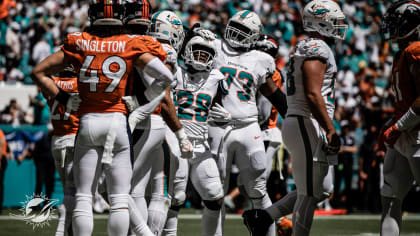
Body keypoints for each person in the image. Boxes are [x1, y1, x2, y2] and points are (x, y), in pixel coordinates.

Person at [30, 0, 174, 235]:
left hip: (87, 122)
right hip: (117, 122)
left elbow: (38, 73)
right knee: (119, 198)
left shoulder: (81, 43)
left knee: (84, 195)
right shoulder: (131, 43)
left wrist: (64, 98)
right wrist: (139, 101)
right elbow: (165, 77)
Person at [242, 1, 346, 235]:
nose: (339, 25)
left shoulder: (312, 46)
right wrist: (329, 128)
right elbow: (311, 92)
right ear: (321, 20)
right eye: (334, 19)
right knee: (309, 193)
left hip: (307, 122)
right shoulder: (316, 47)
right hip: (305, 120)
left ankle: (263, 217)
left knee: (322, 189)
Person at [203, 9, 287, 236]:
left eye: (243, 31)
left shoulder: (260, 60)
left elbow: (273, 94)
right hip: (217, 127)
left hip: (249, 128)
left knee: (258, 191)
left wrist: (292, 115)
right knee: (215, 193)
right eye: (235, 28)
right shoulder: (214, 48)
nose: (236, 34)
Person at [123, 6, 192, 235]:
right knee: (144, 190)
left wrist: (180, 133)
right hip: (159, 124)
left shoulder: (151, 47)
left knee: (123, 188)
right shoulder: (160, 49)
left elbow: (163, 96)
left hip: (145, 120)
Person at [380, 1, 420, 235]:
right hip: (405, 134)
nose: (392, 29)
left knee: (392, 198)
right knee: (390, 199)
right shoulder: (403, 53)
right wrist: (390, 126)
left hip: (414, 133)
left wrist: (397, 127)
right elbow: (405, 101)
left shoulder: (416, 51)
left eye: (397, 24)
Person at [47, 66, 79, 236]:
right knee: (72, 192)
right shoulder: (78, 83)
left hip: (56, 141)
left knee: (70, 192)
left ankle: (70, 231)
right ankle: (61, 231)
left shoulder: (52, 82)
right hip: (73, 139)